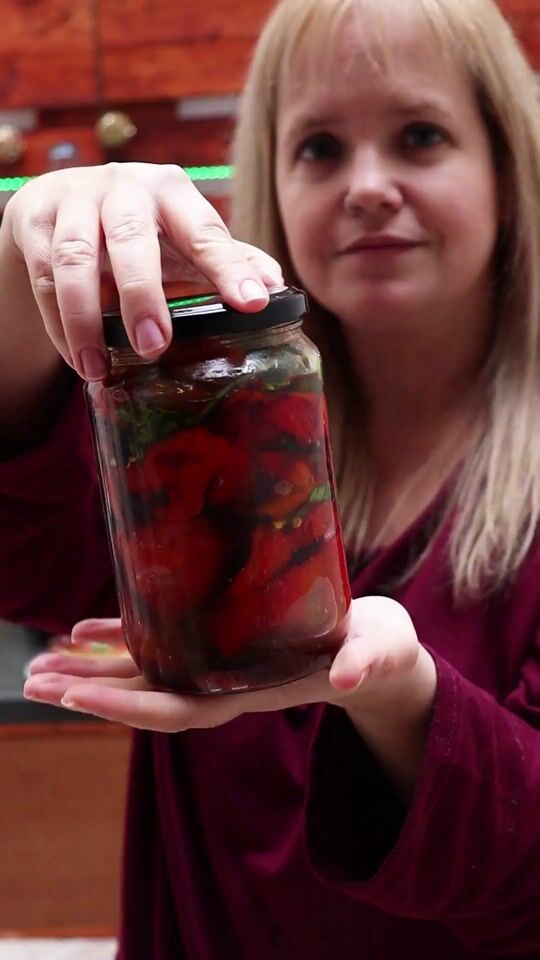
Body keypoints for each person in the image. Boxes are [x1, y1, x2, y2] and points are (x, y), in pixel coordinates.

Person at [2, 0, 540, 955]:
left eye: (421, 135)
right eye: (320, 148)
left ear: (508, 168)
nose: (369, 186)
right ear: (271, 191)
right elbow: (29, 548)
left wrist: (400, 700)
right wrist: (17, 267)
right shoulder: (213, 418)